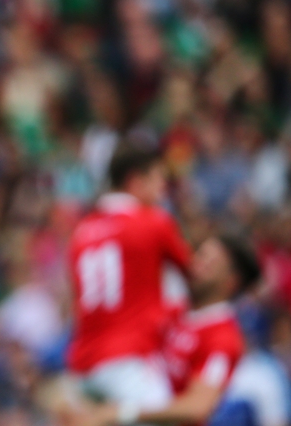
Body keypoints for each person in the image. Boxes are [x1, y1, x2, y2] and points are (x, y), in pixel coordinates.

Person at [67, 232, 260, 426]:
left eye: (210, 264)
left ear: (231, 282)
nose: (195, 266)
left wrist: (122, 413)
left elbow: (198, 406)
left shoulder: (222, 338)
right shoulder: (173, 310)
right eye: (200, 255)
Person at [66, 139, 192, 412]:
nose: (164, 187)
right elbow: (196, 276)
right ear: (136, 181)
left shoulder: (82, 232)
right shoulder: (154, 221)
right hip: (129, 360)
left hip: (83, 366)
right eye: (159, 177)